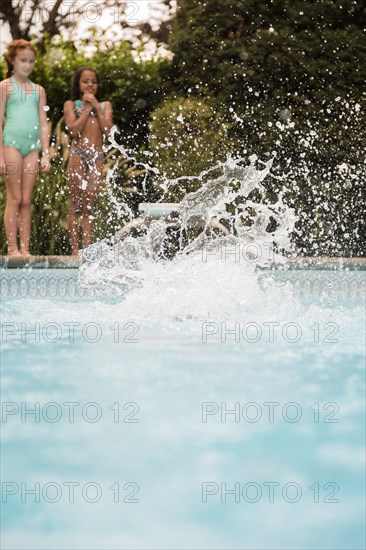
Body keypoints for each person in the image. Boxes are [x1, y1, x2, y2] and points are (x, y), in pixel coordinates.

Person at [0, 39, 50, 256]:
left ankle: (25, 248)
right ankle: (12, 248)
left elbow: (43, 122)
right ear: (12, 60)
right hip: (11, 144)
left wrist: (46, 153)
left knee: (27, 200)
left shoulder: (38, 90)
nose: (27, 65)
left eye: (31, 61)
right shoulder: (5, 87)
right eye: (23, 60)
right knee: (16, 198)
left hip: (32, 148)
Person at [63, 67, 113, 255]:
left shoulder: (105, 105)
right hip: (78, 154)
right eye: (85, 81)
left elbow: (108, 130)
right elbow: (74, 131)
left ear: (98, 85)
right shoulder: (71, 104)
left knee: (89, 205)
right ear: (78, 84)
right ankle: (76, 250)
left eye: (93, 81)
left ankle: (87, 249)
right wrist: (86, 110)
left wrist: (96, 108)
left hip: (97, 156)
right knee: (75, 203)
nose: (90, 84)